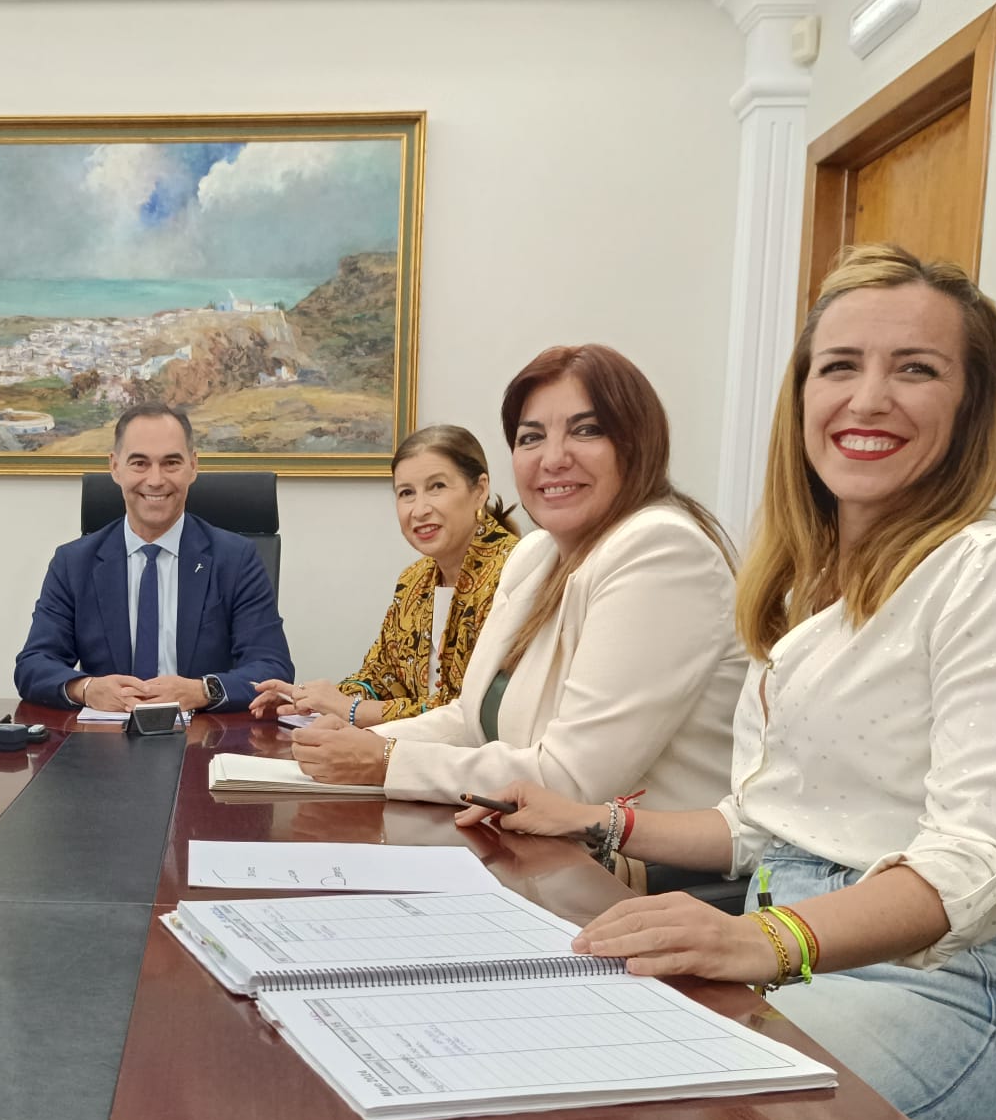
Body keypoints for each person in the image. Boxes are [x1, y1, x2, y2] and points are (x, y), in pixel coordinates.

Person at [462, 245, 996, 1120]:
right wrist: (599, 820)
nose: (868, 399)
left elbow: (971, 866)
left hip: (959, 987)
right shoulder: (815, 588)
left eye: (915, 370)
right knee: (534, 1053)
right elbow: (772, 827)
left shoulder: (995, 569)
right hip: (805, 958)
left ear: (971, 409)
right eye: (839, 367)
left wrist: (759, 939)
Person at [291, 345, 744, 817]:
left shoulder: (661, 549)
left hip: (639, 871)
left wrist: (382, 760)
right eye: (530, 438)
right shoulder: (537, 554)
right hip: (535, 841)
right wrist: (348, 743)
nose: (552, 459)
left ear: (637, 442)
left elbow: (570, 780)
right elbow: (469, 722)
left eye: (586, 430)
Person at [13, 402, 293, 712]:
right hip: (106, 742)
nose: (156, 479)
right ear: (115, 467)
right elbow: (34, 665)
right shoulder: (74, 563)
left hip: (204, 736)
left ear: (193, 466)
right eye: (139, 463)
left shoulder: (235, 559)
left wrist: (203, 690)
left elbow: (272, 666)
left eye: (171, 463)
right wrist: (88, 688)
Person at [249, 424, 519, 726]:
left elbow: (468, 713)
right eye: (406, 493)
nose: (419, 510)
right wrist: (306, 699)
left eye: (437, 487)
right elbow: (378, 678)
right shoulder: (414, 580)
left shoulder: (514, 572)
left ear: (479, 491)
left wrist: (350, 710)